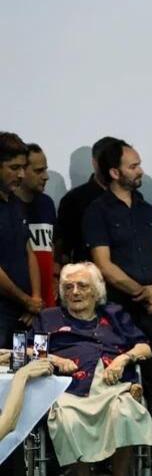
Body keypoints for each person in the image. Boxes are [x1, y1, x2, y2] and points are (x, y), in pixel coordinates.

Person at [35, 262, 152, 476]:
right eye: (68, 287)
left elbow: (145, 347)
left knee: (127, 413)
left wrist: (123, 359)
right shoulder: (49, 317)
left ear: (96, 291)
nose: (75, 292)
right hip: (70, 389)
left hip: (113, 386)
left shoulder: (114, 314)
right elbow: (29, 352)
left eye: (82, 286)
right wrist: (54, 359)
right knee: (68, 420)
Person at [83, 138, 152, 414]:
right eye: (133, 166)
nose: (140, 170)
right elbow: (103, 264)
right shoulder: (97, 211)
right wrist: (143, 292)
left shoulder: (148, 210)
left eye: (139, 164)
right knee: (119, 376)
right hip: (118, 309)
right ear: (115, 173)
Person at [0, 133, 42, 348]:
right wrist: (26, 300)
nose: (21, 174)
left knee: (25, 374)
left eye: (23, 167)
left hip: (24, 312)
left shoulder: (16, 203)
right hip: (3, 311)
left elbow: (29, 251)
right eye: (14, 168)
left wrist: (34, 299)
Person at [54, 137, 111, 266]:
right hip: (85, 275)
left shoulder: (134, 197)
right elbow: (63, 247)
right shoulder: (73, 199)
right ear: (95, 163)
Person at [14, 144, 56, 307]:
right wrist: (27, 301)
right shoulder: (8, 209)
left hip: (46, 302)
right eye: (39, 171)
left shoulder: (47, 204)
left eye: (45, 169)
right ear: (21, 172)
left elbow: (52, 247)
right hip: (19, 304)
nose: (46, 176)